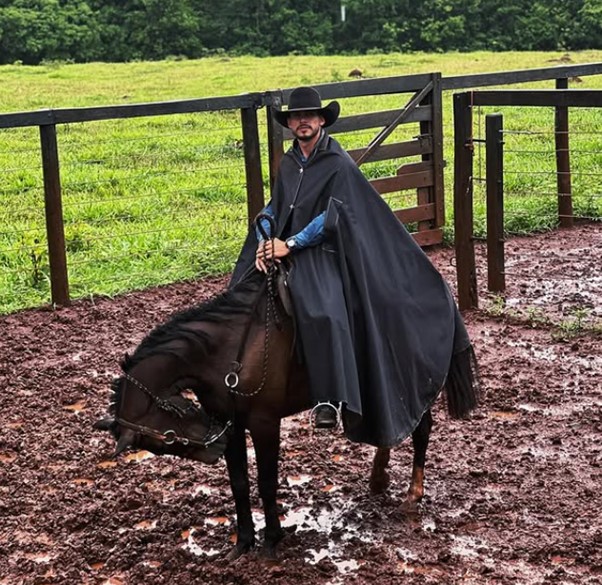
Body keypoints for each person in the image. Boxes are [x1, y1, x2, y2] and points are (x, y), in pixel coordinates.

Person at [230, 86, 477, 446]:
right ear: (291, 124)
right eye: (296, 117)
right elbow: (277, 203)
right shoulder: (288, 162)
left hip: (324, 247)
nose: (302, 122)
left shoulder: (337, 163)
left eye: (309, 117)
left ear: (320, 121)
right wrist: (264, 231)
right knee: (241, 285)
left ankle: (328, 398)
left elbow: (334, 215)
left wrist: (292, 244)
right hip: (282, 243)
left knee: (324, 310)